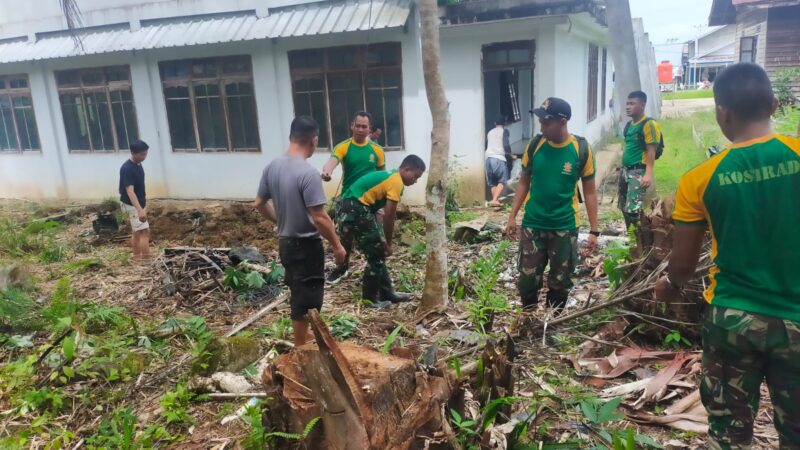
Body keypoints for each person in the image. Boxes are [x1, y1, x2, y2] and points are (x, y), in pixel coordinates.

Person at [655, 63, 800, 449]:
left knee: (729, 433)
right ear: (772, 104)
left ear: (722, 113)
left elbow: (683, 266)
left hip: (733, 320)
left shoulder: (699, 179)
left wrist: (668, 285)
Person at [254, 116, 347, 346]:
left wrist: (280, 219)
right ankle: (301, 350)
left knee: (298, 291)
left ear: (291, 136)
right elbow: (320, 217)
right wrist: (337, 246)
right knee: (307, 301)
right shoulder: (307, 173)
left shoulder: (272, 167)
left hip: (285, 242)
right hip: (306, 245)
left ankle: (302, 338)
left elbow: (258, 203)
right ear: (314, 140)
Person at [505, 98, 599, 313]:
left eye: (546, 122)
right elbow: (523, 182)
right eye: (540, 122)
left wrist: (594, 230)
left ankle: (552, 321)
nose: (542, 127)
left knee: (560, 280)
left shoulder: (581, 148)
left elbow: (590, 191)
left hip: (564, 226)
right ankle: (528, 319)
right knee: (527, 279)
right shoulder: (535, 145)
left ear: (562, 121)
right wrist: (512, 216)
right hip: (533, 224)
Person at [338, 155, 426, 306]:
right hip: (355, 207)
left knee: (378, 251)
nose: (415, 180)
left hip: (351, 206)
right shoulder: (396, 181)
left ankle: (387, 293)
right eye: (415, 176)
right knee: (377, 253)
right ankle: (369, 300)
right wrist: (389, 242)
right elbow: (389, 215)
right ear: (406, 169)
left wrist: (382, 241)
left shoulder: (391, 176)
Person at [321, 111, 386, 284]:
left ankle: (376, 272)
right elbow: (333, 161)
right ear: (352, 126)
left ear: (369, 129)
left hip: (371, 201)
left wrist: (382, 204)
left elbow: (383, 175)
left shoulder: (377, 150)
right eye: (357, 125)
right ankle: (341, 269)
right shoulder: (344, 146)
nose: (360, 129)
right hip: (349, 199)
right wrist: (327, 171)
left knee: (377, 239)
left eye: (364, 126)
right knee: (344, 237)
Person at [619, 90, 662, 230]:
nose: (628, 107)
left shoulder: (649, 124)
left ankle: (639, 242)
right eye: (627, 103)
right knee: (623, 206)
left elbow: (651, 150)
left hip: (638, 171)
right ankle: (632, 238)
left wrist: (648, 173)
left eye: (632, 103)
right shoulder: (629, 125)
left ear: (642, 105)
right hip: (625, 171)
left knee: (633, 210)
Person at [119, 140, 151, 261]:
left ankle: (137, 258)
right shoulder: (127, 168)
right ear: (133, 153)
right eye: (142, 154)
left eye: (146, 154)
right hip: (132, 203)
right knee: (144, 231)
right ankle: (146, 261)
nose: (144, 157)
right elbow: (130, 191)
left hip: (139, 202)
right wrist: (139, 210)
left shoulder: (138, 164)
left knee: (137, 232)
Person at [485, 116, 512, 207]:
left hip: (488, 158)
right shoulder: (505, 131)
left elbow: (487, 144)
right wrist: (510, 154)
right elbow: (506, 144)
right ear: (505, 124)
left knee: (492, 182)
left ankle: (495, 201)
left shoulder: (490, 132)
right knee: (503, 180)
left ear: (495, 123)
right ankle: (494, 200)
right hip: (498, 158)